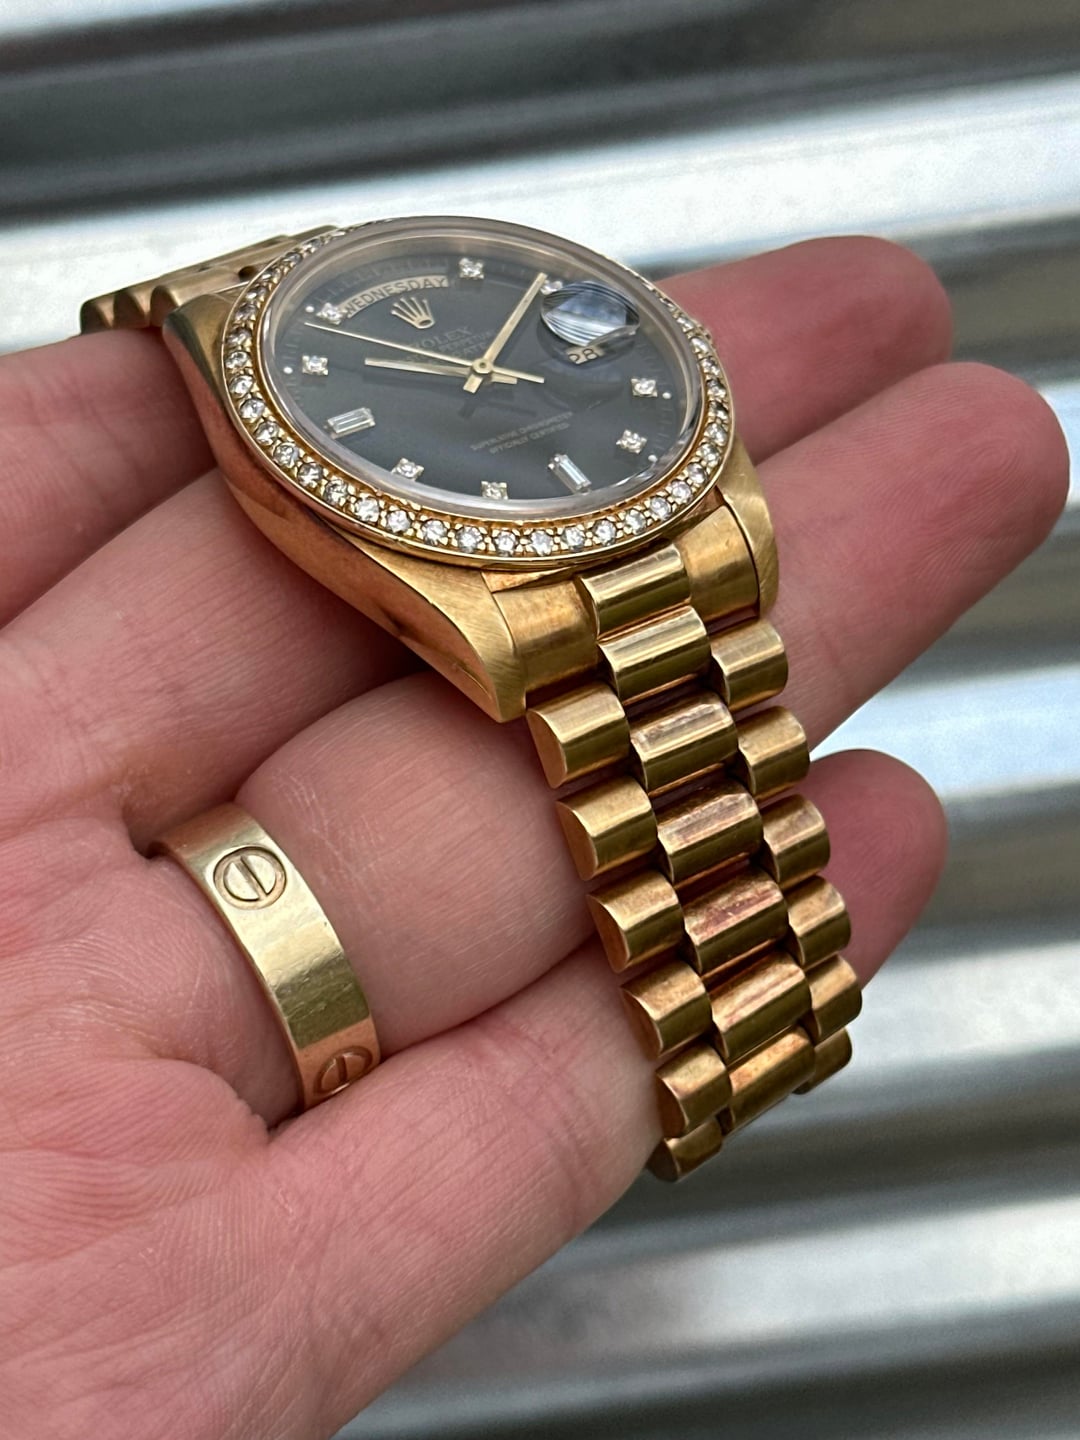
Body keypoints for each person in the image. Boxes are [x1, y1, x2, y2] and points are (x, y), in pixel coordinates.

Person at [0, 236, 1067, 1438]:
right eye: (468, 373)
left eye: (494, 359)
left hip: (651, 516)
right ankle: (745, 1031)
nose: (479, 378)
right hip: (499, 567)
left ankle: (757, 1013)